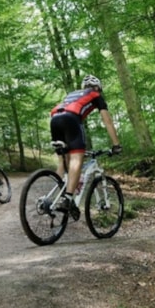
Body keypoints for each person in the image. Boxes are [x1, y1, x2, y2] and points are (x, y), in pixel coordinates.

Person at [50, 75, 122, 221]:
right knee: (77, 158)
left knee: (63, 162)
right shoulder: (95, 95)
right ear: (97, 88)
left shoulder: (73, 94)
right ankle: (68, 199)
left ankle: (55, 197)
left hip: (54, 118)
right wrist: (116, 145)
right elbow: (107, 121)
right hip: (71, 118)